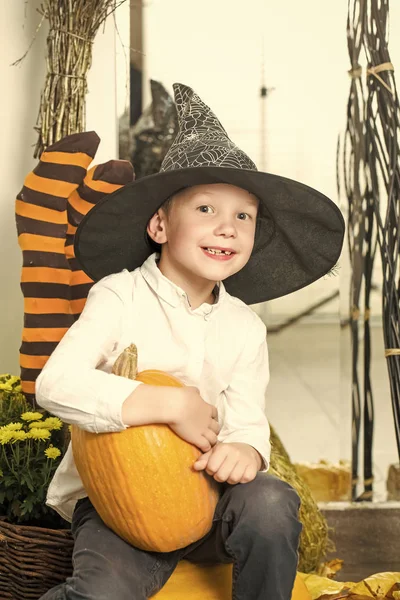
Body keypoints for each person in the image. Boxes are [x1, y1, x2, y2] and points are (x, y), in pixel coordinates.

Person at [36, 83, 345, 600]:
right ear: (159, 224)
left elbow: (247, 417)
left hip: (212, 499)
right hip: (123, 509)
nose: (227, 227)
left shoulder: (244, 326)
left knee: (270, 503)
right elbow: (55, 384)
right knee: (101, 593)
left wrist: (245, 449)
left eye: (242, 216)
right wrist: (166, 403)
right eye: (205, 209)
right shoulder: (119, 295)